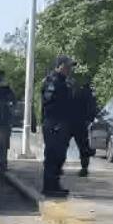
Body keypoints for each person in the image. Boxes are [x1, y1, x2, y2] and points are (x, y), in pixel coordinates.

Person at [40, 55, 76, 196]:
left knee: (60, 156)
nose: (69, 69)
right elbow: (49, 104)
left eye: (70, 67)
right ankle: (49, 187)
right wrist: (56, 123)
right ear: (60, 66)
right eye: (67, 66)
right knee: (53, 155)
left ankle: (55, 184)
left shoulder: (64, 82)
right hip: (54, 123)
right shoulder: (52, 81)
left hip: (62, 123)